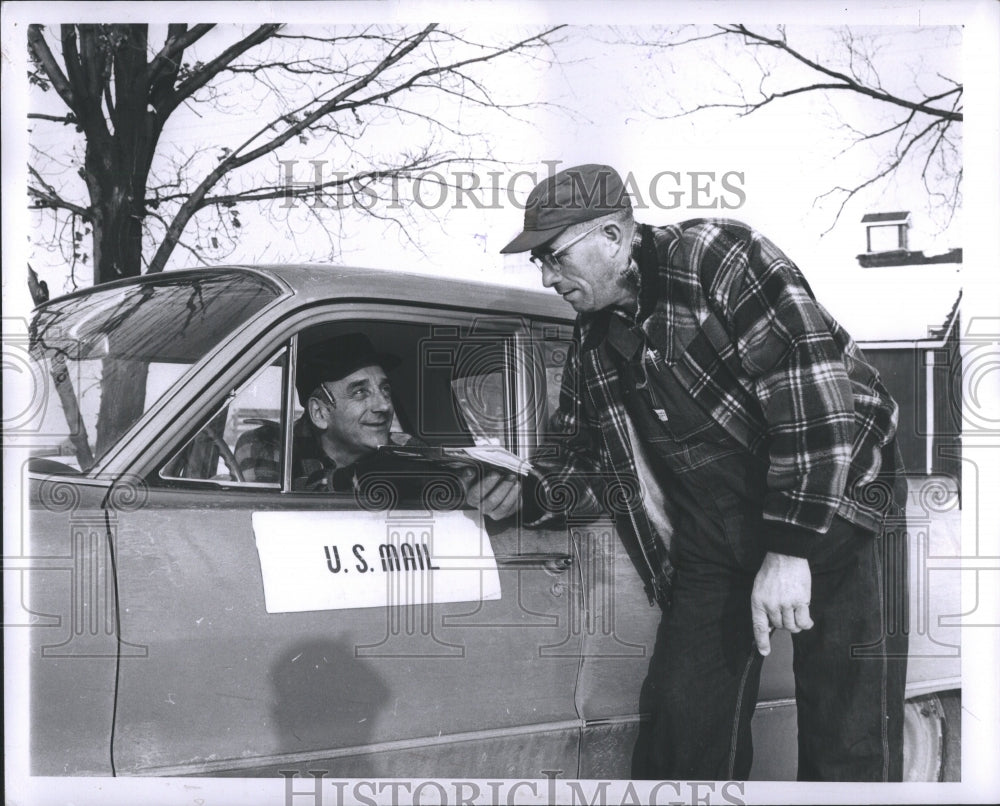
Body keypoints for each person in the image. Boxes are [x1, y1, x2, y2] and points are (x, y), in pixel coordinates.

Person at [471, 163, 909, 781]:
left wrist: (789, 551)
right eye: (538, 262)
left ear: (614, 238)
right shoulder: (592, 343)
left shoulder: (720, 258)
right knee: (684, 728)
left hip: (838, 499)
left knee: (849, 729)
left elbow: (810, 398)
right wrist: (523, 493)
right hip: (718, 532)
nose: (547, 277)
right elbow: (576, 457)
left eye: (554, 256)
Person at [236, 332, 417, 492]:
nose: (384, 406)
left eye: (385, 389)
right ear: (319, 413)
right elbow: (274, 511)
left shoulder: (404, 447)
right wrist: (367, 477)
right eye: (360, 392)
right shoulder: (268, 444)